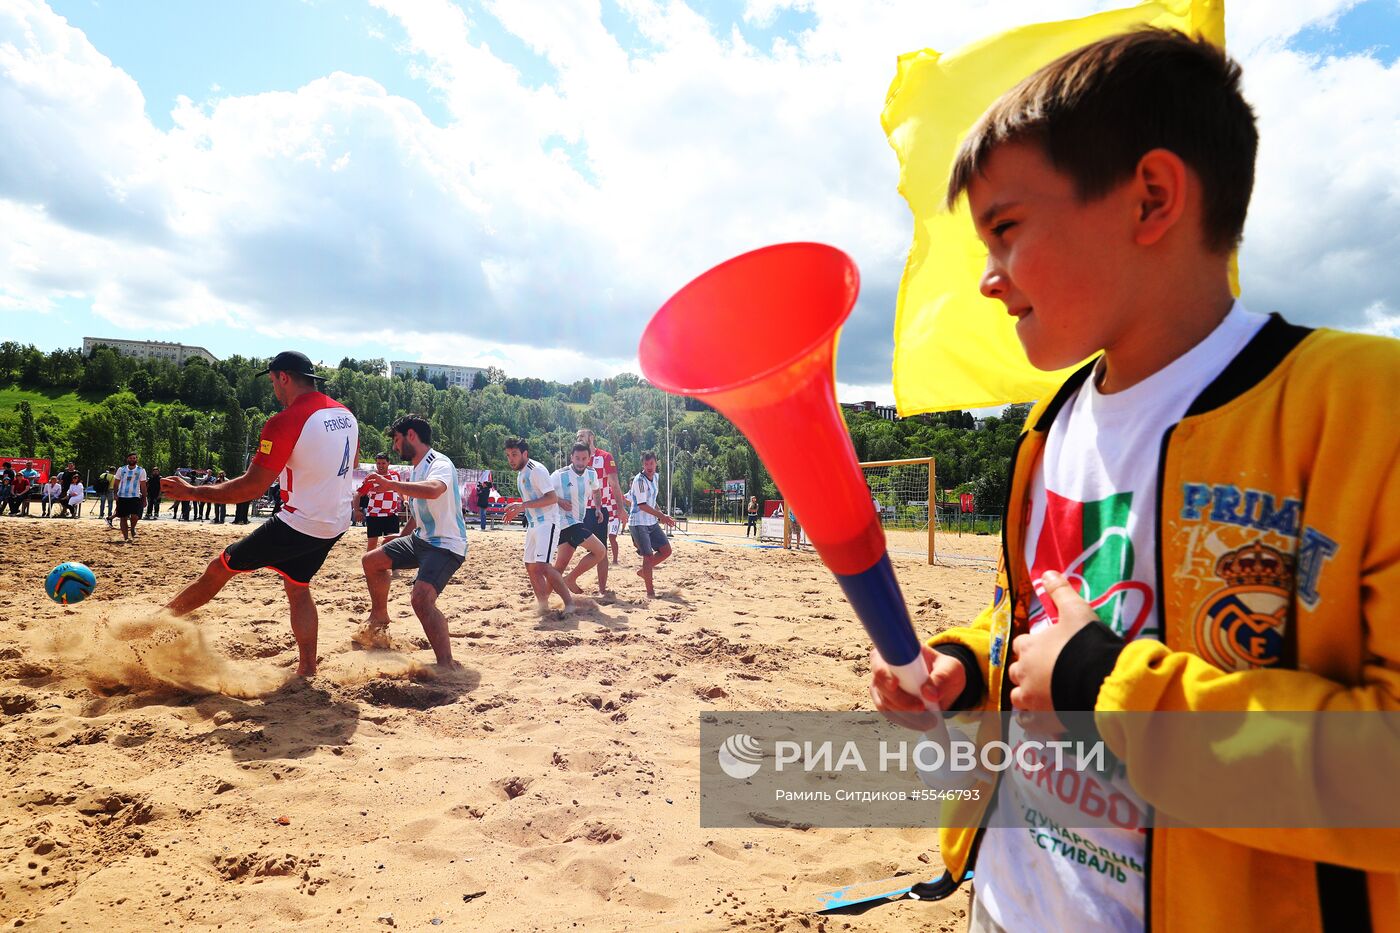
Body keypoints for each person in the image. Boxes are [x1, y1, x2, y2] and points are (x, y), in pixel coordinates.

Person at [867, 30, 1400, 933]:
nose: (990, 282)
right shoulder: (1053, 421)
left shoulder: (1360, 410)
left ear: (1151, 197)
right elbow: (1036, 621)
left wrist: (1106, 687)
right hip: (1008, 901)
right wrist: (966, 667)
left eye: (1005, 229)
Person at [162, 350, 358, 678]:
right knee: (297, 585)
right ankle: (307, 668)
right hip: (336, 521)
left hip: (302, 522)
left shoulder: (285, 421)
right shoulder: (345, 415)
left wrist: (192, 491)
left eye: (272, 382)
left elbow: (250, 490)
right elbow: (349, 466)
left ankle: (154, 625)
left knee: (219, 568)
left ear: (283, 377)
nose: (273, 390)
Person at [354, 417, 466, 666]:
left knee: (420, 599)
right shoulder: (417, 469)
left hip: (446, 545)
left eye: (396, 439)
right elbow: (418, 515)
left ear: (411, 435)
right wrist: (403, 537)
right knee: (371, 561)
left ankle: (447, 665)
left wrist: (390, 485)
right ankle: (380, 617)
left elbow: (435, 489)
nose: (395, 447)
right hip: (420, 540)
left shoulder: (439, 462)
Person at [502, 437, 573, 616]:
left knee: (542, 565)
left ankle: (570, 603)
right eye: (508, 455)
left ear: (525, 454)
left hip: (547, 522)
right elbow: (533, 499)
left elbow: (552, 498)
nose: (511, 459)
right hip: (534, 524)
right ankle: (543, 607)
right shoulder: (521, 473)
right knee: (530, 565)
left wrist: (522, 506)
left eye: (514, 454)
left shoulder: (537, 470)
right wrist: (519, 504)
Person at [552, 443, 609, 596]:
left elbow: (596, 491)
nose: (580, 462)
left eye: (584, 458)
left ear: (589, 459)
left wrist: (598, 508)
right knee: (600, 551)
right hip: (566, 523)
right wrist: (560, 501)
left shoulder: (591, 474)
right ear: (571, 457)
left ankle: (541, 602)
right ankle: (570, 579)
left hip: (577, 521)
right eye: (577, 458)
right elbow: (544, 494)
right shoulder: (559, 475)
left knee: (560, 566)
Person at [576, 429, 627, 594]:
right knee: (571, 545)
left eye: (582, 436)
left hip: (599, 510)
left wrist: (620, 508)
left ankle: (602, 590)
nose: (579, 439)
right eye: (577, 437)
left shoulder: (604, 457)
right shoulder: (577, 459)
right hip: (581, 510)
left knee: (602, 549)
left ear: (592, 438)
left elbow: (614, 483)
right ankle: (569, 580)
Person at [627, 452, 677, 597]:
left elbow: (651, 500)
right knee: (648, 556)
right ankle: (650, 593)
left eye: (651, 463)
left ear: (656, 463)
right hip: (638, 522)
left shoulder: (655, 477)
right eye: (646, 464)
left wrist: (661, 515)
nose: (649, 466)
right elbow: (642, 505)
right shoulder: (639, 480)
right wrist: (662, 516)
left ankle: (644, 571)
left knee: (666, 550)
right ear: (642, 465)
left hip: (651, 521)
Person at [356, 453, 403, 551]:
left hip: (391, 515)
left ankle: (388, 565)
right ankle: (370, 565)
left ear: (388, 463)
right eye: (378, 463)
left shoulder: (395, 475)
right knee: (372, 546)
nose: (380, 466)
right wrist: (356, 510)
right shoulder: (372, 477)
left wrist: (404, 500)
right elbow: (358, 495)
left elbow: (399, 490)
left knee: (392, 545)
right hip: (374, 515)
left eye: (383, 463)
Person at [113, 452, 147, 542]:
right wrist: (115, 494)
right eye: (130, 458)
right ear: (127, 459)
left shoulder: (141, 470)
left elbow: (143, 485)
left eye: (134, 458)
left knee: (135, 516)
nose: (132, 460)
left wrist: (144, 498)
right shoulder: (121, 469)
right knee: (123, 517)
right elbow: (116, 482)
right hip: (122, 496)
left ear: (136, 459)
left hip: (135, 496)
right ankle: (126, 537)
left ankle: (132, 528)